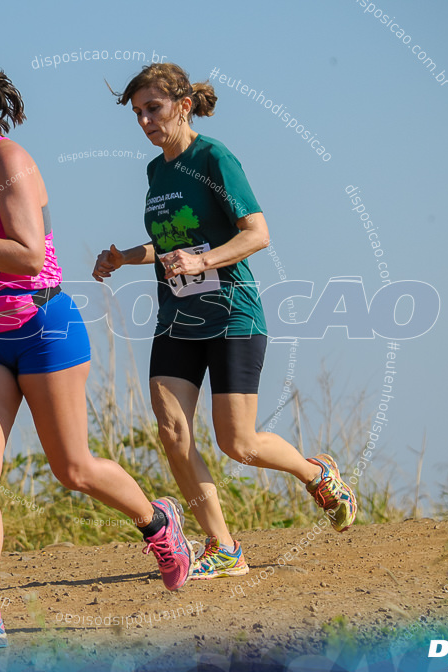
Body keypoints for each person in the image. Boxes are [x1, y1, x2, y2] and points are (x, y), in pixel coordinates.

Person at [0, 61, 193, 649]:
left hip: (42, 325)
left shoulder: (8, 160)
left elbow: (30, 257)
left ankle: (159, 521)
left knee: (72, 468)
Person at [92, 63, 357, 581]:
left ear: (183, 105)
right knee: (172, 430)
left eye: (154, 108)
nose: (145, 120)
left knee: (239, 443)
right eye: (138, 112)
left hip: (232, 312)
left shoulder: (214, 157)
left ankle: (318, 474)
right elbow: (172, 244)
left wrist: (204, 261)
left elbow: (256, 233)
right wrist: (125, 256)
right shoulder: (156, 172)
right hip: (177, 316)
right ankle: (224, 545)